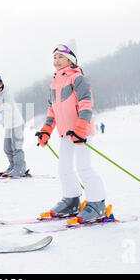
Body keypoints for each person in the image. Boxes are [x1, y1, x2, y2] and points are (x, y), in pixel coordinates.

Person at [36, 39, 107, 224]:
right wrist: (46, 130)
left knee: (84, 168)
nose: (57, 60)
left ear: (71, 60)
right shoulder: (55, 82)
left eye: (61, 57)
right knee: (64, 169)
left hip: (80, 133)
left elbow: (86, 103)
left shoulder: (78, 78)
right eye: (55, 57)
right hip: (65, 134)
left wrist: (82, 127)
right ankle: (71, 201)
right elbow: (52, 110)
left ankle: (97, 204)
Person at [0, 74, 27, 177]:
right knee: (7, 148)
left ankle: (20, 168)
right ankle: (13, 166)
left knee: (16, 147)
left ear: (1, 85)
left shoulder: (7, 94)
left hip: (16, 123)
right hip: (8, 125)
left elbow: (8, 109)